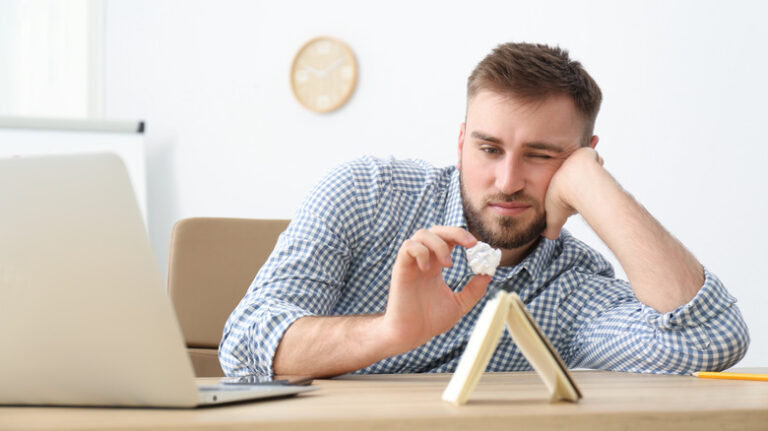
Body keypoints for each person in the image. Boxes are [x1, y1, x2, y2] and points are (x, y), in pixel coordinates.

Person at [219, 42, 749, 378]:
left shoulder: (575, 285)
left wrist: (595, 185)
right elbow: (244, 345)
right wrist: (388, 333)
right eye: (489, 149)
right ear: (460, 141)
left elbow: (708, 339)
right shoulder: (367, 193)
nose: (509, 180)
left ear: (583, 154)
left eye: (543, 156)